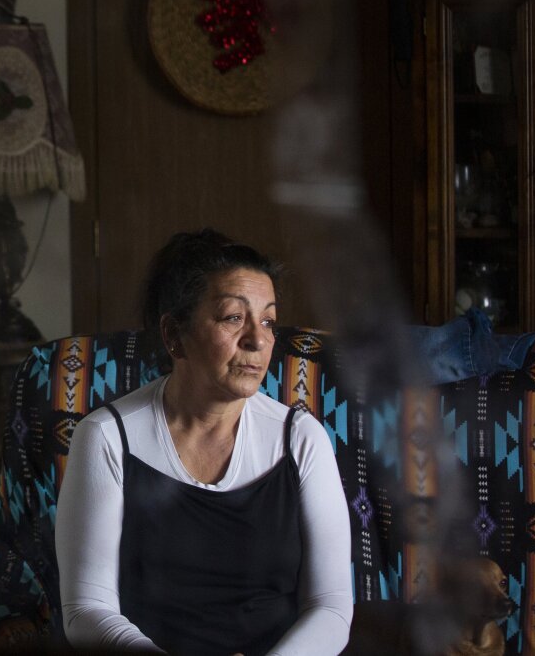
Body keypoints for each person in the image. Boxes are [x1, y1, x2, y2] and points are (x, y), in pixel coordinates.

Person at [55, 229, 353, 655]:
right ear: (175, 335)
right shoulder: (107, 437)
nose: (259, 339)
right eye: (233, 317)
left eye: (268, 320)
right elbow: (85, 610)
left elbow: (332, 606)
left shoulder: (300, 439)